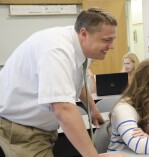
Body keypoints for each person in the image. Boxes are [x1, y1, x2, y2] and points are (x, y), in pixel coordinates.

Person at [0, 8, 123, 157]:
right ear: (84, 33)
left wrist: (93, 109)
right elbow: (63, 109)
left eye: (112, 39)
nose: (112, 46)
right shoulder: (57, 50)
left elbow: (75, 80)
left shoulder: (82, 45)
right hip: (22, 130)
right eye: (106, 40)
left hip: (42, 128)